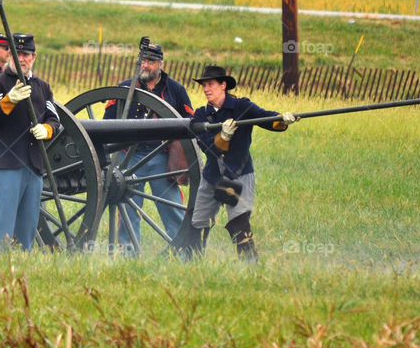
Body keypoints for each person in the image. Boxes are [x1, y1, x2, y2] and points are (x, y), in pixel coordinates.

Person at [185, 65, 297, 262]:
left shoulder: (241, 107)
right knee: (198, 224)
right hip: (213, 177)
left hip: (240, 174)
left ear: (223, 85)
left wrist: (283, 120)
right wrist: (223, 136)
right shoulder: (201, 115)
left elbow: (267, 119)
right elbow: (207, 146)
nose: (206, 89)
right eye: (204, 85)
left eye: (210, 84)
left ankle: (250, 266)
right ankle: (193, 265)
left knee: (239, 223)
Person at [103, 42, 193, 253]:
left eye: (150, 61)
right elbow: (107, 121)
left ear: (160, 64)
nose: (145, 65)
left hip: (161, 157)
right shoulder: (124, 87)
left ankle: (183, 252)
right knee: (128, 211)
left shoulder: (176, 90)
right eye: (142, 60)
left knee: (172, 207)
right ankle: (128, 255)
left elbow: (189, 120)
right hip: (129, 158)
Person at [0, 33, 60, 250]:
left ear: (33, 57)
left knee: (27, 225)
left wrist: (47, 129)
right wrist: (9, 101)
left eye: (26, 54)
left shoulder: (42, 86)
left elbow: (54, 118)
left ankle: (22, 263)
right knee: (1, 223)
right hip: (7, 163)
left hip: (34, 165)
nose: (21, 58)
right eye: (17, 54)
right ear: (9, 56)